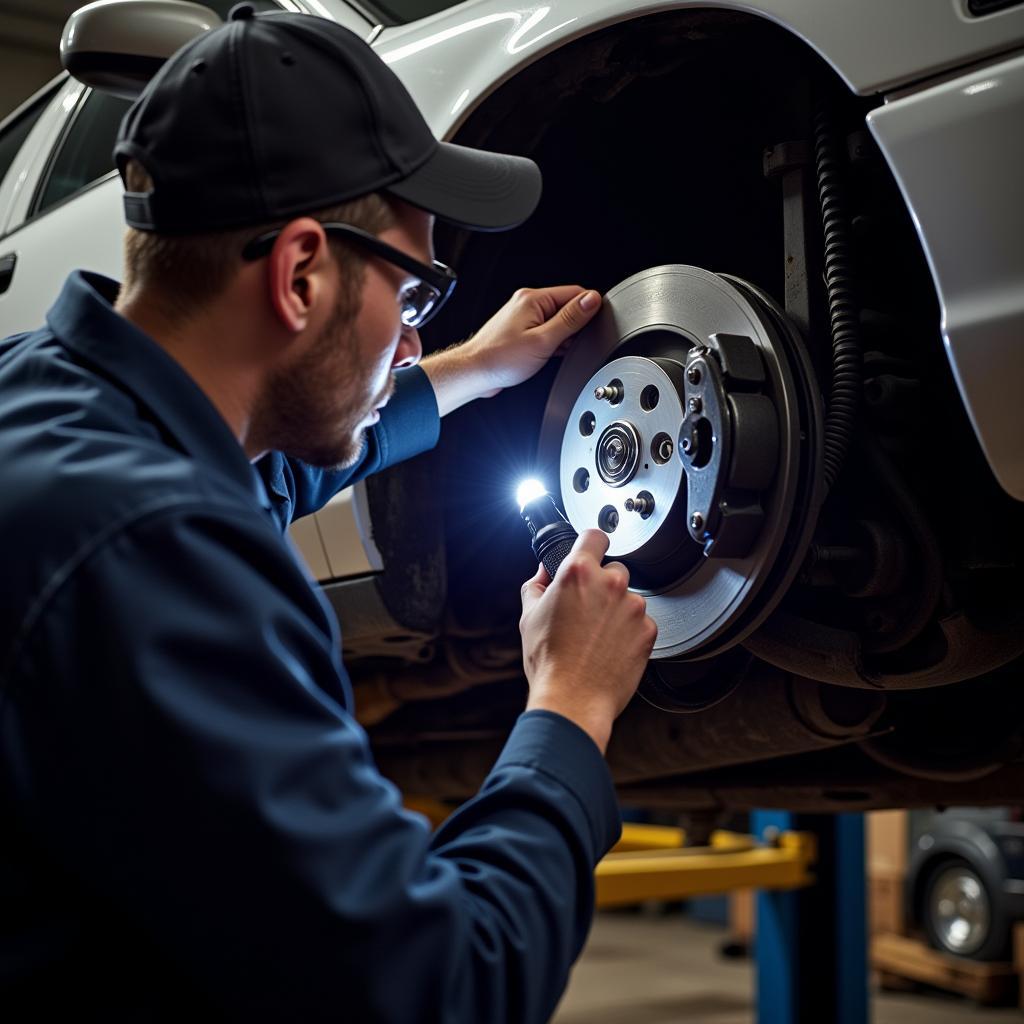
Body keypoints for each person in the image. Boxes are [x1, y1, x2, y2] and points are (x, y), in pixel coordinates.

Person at [0, 8, 657, 1021]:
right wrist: (570, 706)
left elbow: (257, 475)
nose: (411, 335)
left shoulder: (49, 403)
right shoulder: (155, 555)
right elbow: (442, 986)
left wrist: (467, 368)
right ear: (300, 271)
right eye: (417, 290)